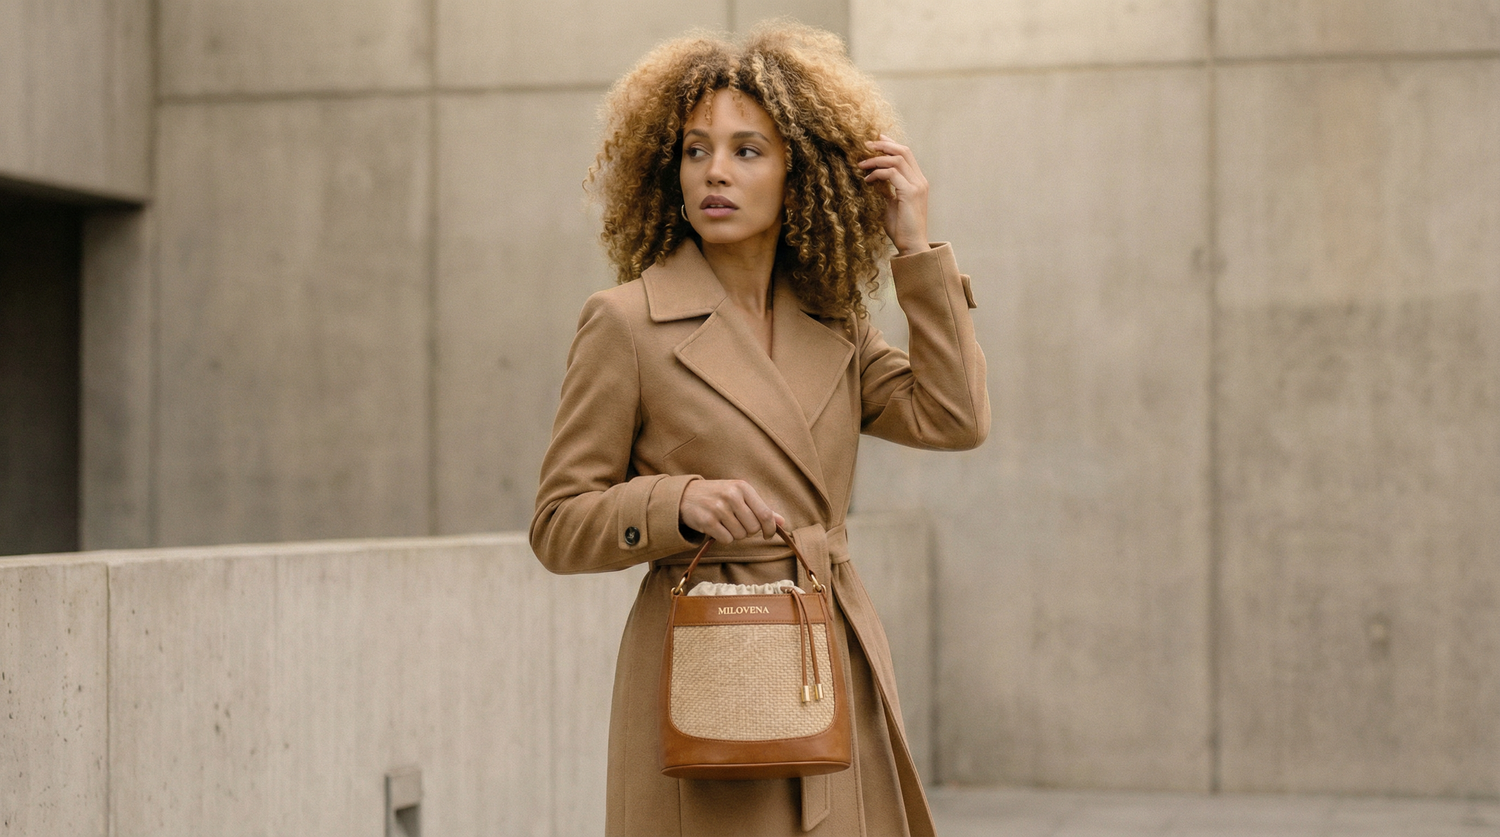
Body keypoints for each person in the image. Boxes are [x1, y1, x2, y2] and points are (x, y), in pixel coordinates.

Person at [531, 22, 989, 837]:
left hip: (824, 652)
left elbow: (952, 417)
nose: (715, 172)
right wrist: (680, 502)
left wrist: (915, 247)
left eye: (748, 151)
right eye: (696, 149)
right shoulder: (626, 323)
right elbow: (559, 523)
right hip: (709, 672)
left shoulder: (834, 324)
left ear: (797, 173)